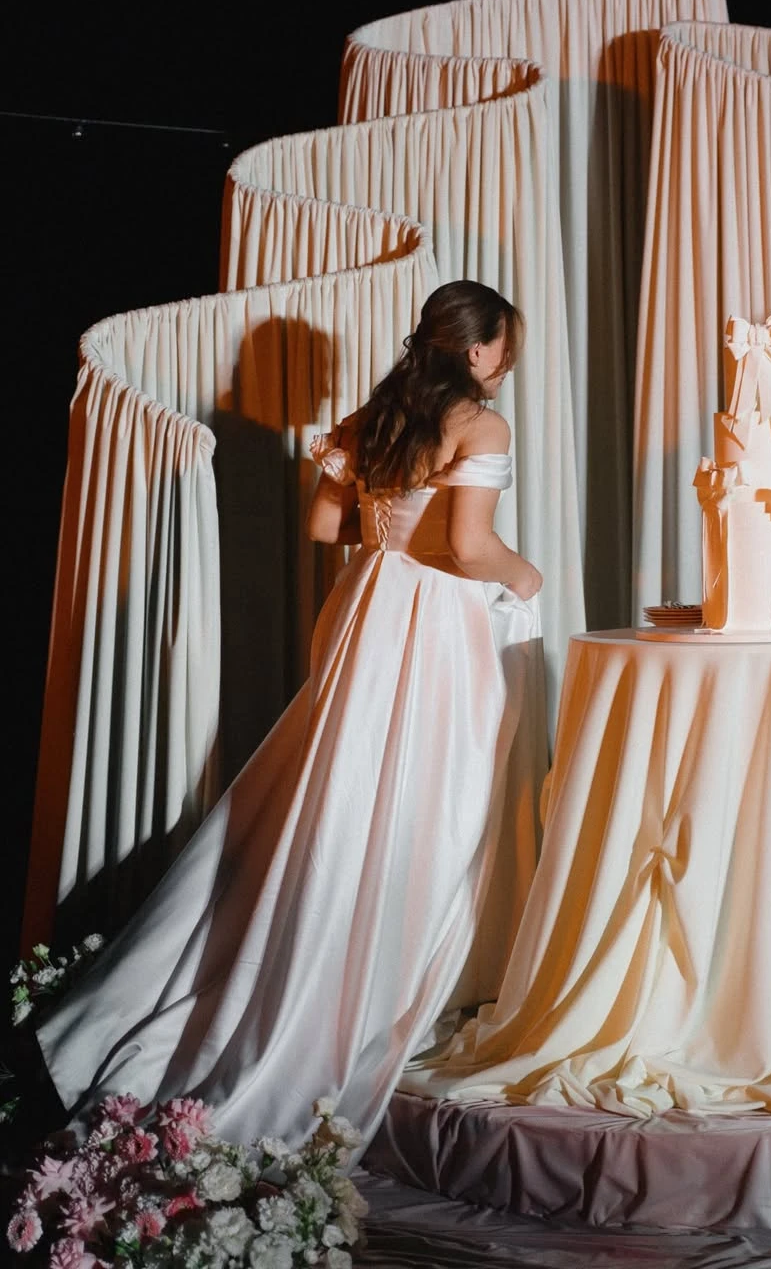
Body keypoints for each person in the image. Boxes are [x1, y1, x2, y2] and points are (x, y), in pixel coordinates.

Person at [35, 279, 546, 1154]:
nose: (510, 360)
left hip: (365, 605)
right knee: (429, 795)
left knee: (340, 782)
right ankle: (378, 974)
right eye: (506, 346)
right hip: (433, 621)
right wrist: (525, 576)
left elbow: (323, 524)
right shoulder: (481, 425)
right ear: (476, 349)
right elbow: (468, 547)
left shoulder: (378, 414)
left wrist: (389, 528)